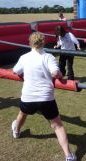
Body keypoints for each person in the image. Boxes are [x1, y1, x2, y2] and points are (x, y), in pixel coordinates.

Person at [11, 32, 76, 161]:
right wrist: (60, 76)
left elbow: (15, 71)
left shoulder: (25, 57)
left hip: (29, 97)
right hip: (46, 98)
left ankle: (16, 132)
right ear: (43, 42)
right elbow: (55, 72)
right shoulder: (48, 57)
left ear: (30, 43)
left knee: (22, 114)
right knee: (58, 126)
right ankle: (68, 156)